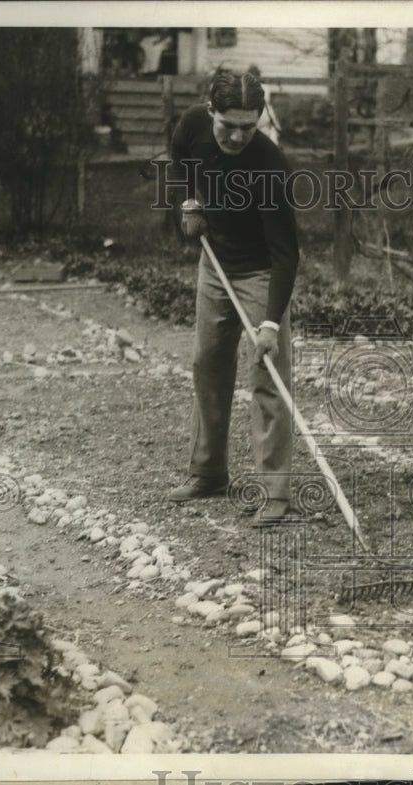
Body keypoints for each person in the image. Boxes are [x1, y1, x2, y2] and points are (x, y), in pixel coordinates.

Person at [167, 69, 299, 524]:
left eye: (250, 125)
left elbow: (286, 255)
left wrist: (269, 324)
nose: (239, 135)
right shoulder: (191, 125)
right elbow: (179, 155)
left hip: (261, 272)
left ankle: (275, 493)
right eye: (229, 125)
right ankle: (208, 473)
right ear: (210, 111)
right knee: (208, 363)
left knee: (268, 376)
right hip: (214, 265)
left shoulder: (269, 165)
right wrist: (189, 202)